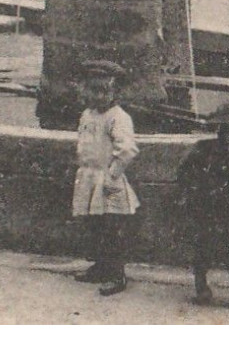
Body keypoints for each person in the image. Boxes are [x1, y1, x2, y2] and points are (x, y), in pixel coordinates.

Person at [177, 102, 229, 311]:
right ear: (218, 130)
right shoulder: (204, 151)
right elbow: (185, 172)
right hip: (205, 210)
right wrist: (192, 194)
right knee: (201, 251)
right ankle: (202, 288)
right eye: (225, 130)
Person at [71, 59, 138, 296]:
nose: (97, 96)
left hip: (108, 181)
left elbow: (127, 150)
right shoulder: (87, 115)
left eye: (103, 91)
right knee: (95, 226)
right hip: (89, 178)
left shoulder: (117, 117)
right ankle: (100, 267)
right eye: (92, 90)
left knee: (112, 228)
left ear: (115, 92)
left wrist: (112, 175)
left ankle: (117, 274)